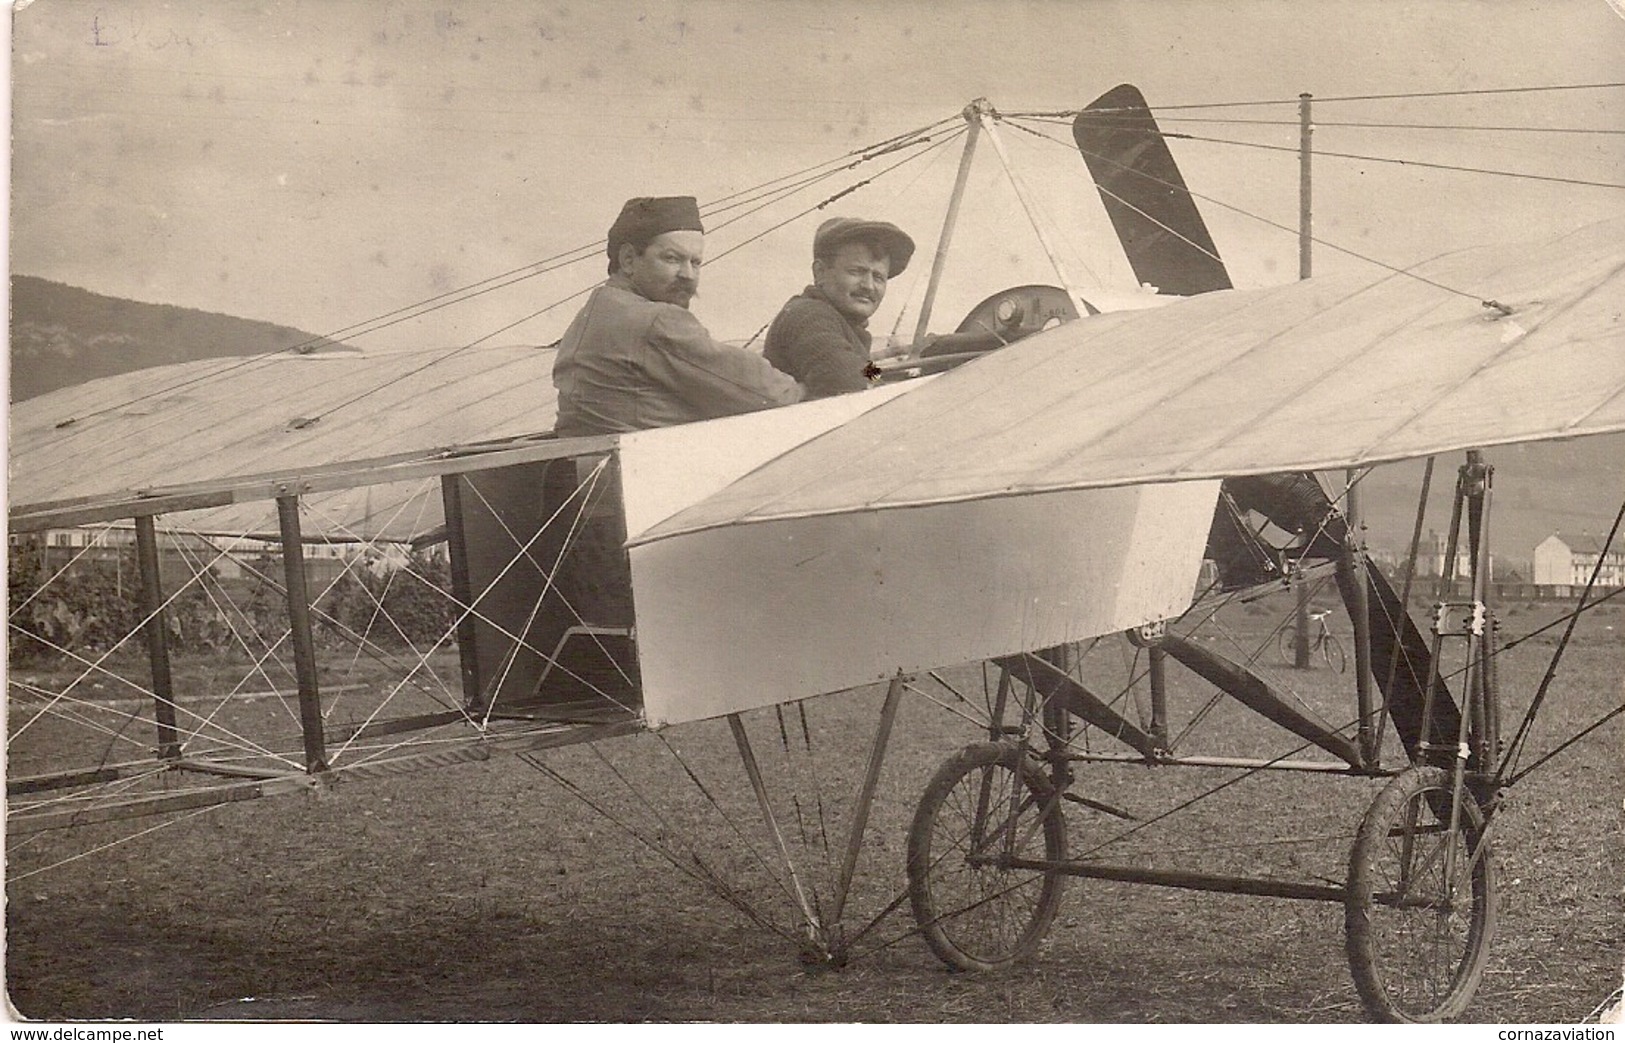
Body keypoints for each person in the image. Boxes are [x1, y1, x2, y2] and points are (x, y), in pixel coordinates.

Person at [552, 195, 806, 437]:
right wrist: (808, 391)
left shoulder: (592, 314)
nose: (688, 275)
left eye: (695, 263)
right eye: (672, 258)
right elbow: (766, 393)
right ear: (628, 259)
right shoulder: (656, 320)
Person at [763, 217, 916, 399]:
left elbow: (864, 369)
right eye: (856, 271)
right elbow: (845, 377)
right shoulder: (810, 315)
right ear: (820, 272)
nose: (868, 285)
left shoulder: (843, 326)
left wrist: (886, 379)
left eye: (878, 277)